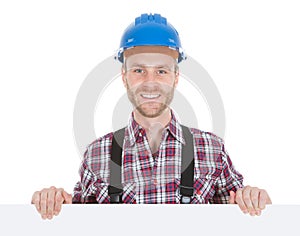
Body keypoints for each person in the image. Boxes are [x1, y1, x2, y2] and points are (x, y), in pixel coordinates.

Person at [31, 13, 271, 220]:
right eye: (138, 70)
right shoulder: (97, 154)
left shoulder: (211, 149)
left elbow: (245, 217)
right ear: (124, 77)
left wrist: (255, 199)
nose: (150, 83)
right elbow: (77, 223)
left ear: (176, 77)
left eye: (161, 71)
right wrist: (54, 203)